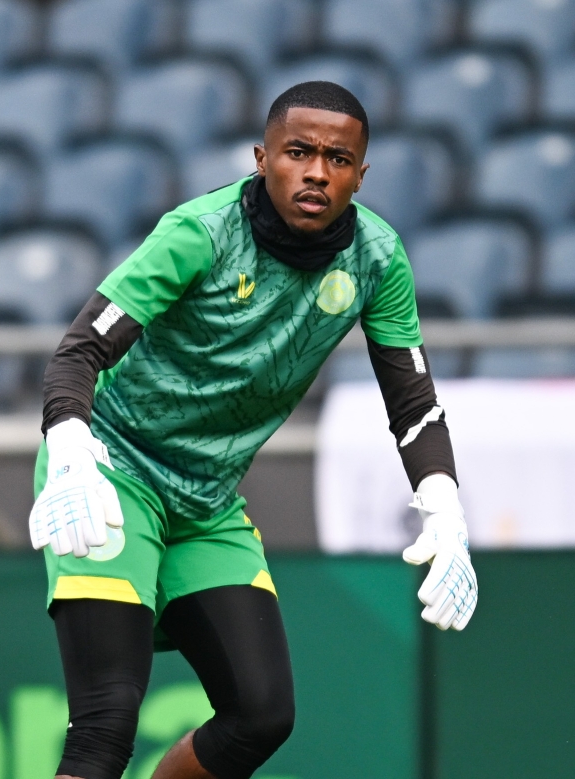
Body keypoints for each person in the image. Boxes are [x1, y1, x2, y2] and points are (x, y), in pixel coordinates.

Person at [28, 81, 478, 779]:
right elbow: (79, 351)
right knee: (106, 721)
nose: (317, 172)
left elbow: (413, 401)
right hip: (111, 472)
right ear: (263, 157)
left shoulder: (378, 260)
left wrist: (447, 513)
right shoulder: (198, 233)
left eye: (338, 158)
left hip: (207, 503)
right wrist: (69, 451)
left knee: (261, 715)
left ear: (361, 174)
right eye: (299, 152)